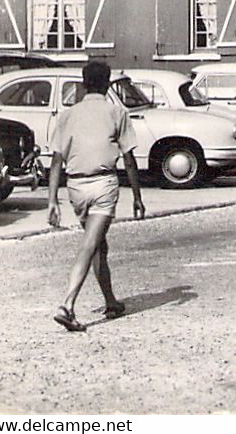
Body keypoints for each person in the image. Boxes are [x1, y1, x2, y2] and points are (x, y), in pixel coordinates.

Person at [48, 60, 145, 332]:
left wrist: (52, 200)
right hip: (103, 184)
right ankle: (67, 305)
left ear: (83, 84)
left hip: (75, 188)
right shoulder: (117, 112)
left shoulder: (67, 115)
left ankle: (111, 301)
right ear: (107, 84)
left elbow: (56, 160)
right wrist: (137, 197)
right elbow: (129, 159)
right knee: (91, 244)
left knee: (99, 245)